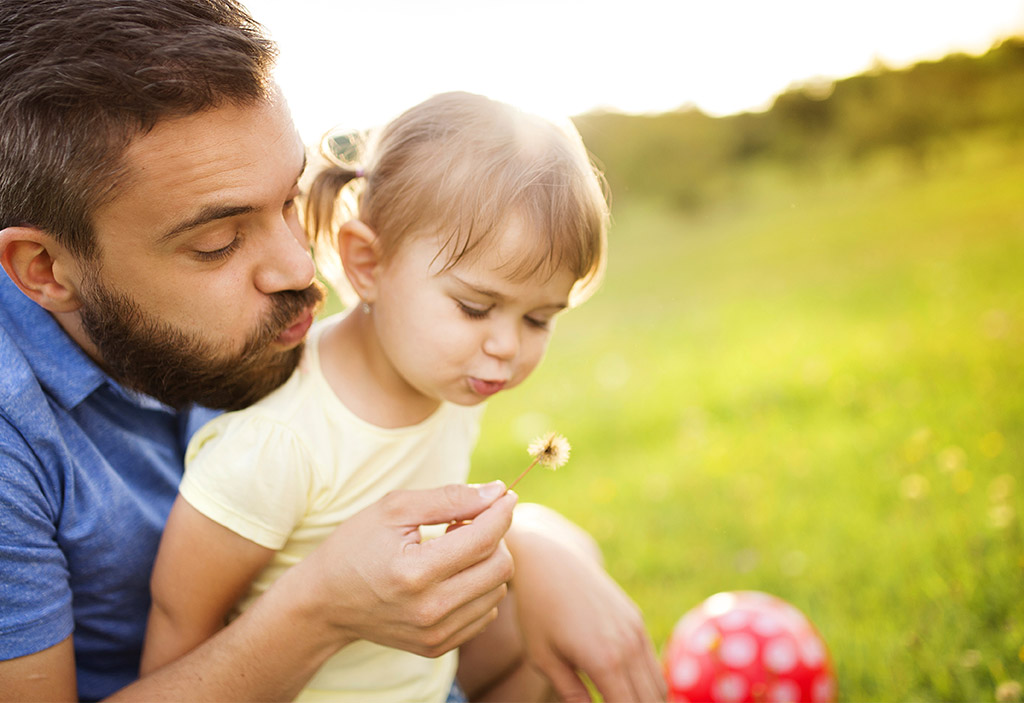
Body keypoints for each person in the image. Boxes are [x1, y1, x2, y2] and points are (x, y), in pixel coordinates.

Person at [0, 1, 665, 702]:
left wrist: (544, 546)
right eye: (217, 243)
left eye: (290, 200)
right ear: (45, 269)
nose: (300, 269)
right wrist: (320, 610)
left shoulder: (287, 334)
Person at [140, 90, 645, 703]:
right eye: (475, 307)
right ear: (367, 263)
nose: (507, 347)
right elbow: (178, 629)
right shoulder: (278, 443)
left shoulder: (448, 382)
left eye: (539, 319)